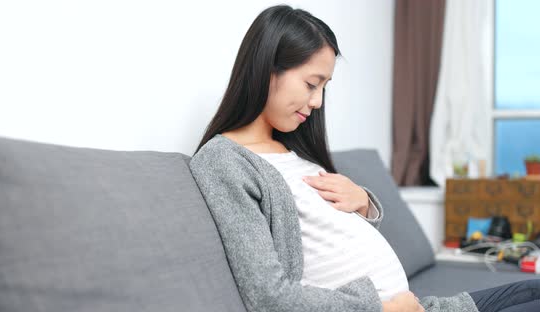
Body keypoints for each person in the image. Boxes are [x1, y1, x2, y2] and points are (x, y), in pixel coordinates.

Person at [189, 5, 540, 312]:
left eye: (324, 87)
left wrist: (363, 204)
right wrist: (382, 307)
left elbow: (326, 237)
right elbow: (270, 297)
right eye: (312, 84)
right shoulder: (224, 162)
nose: (317, 103)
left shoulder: (291, 150)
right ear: (268, 69)